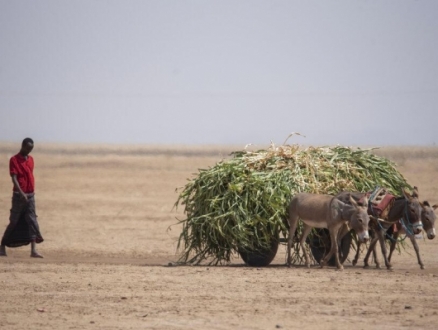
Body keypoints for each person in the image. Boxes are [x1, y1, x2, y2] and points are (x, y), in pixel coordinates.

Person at [0, 138, 44, 258]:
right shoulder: (14, 160)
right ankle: (2, 245)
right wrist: (21, 192)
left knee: (32, 221)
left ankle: (33, 250)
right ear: (23, 146)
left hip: (30, 195)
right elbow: (14, 178)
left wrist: (29, 193)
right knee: (14, 221)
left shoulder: (31, 160)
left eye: (31, 149)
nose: (29, 150)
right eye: (28, 148)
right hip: (18, 196)